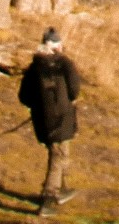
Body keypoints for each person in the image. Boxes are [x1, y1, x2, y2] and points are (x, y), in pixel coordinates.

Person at [17, 26, 82, 209]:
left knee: (61, 151)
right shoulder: (65, 64)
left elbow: (24, 96)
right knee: (58, 156)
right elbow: (74, 90)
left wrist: (40, 106)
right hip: (62, 118)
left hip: (42, 120)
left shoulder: (34, 67)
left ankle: (61, 188)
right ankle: (49, 198)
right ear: (58, 46)